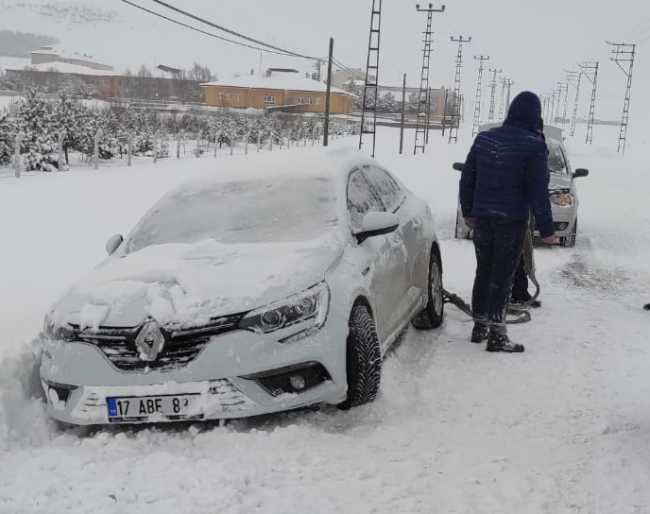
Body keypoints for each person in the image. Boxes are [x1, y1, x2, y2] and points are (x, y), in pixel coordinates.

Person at [460, 91, 556, 353]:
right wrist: (547, 228)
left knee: (483, 272)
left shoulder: (484, 139)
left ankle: (479, 326)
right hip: (511, 222)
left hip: (482, 220)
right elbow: (539, 190)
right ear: (535, 118)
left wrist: (468, 211)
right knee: (503, 277)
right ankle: (497, 335)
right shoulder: (534, 146)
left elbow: (467, 179)